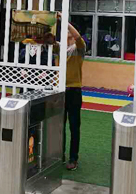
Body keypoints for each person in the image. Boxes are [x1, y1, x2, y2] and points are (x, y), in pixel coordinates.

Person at [54, 14, 85, 171]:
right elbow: (48, 41)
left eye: (68, 31)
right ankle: (60, 154)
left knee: (74, 127)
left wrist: (64, 21)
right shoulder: (60, 48)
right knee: (60, 125)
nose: (66, 33)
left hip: (74, 91)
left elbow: (78, 37)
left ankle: (73, 158)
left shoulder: (79, 49)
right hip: (61, 91)